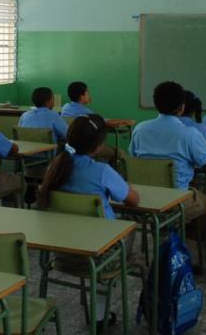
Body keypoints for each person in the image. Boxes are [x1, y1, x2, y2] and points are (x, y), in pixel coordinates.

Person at [38, 113, 138, 331]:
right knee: (129, 229)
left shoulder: (54, 168)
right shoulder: (102, 171)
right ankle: (99, 314)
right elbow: (133, 200)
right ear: (98, 146)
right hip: (97, 258)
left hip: (62, 254)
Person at [129, 81, 206, 225]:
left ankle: (167, 232)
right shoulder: (189, 134)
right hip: (176, 200)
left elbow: (134, 157)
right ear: (182, 107)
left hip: (144, 197)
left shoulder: (139, 129)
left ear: (155, 103)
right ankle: (192, 245)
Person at [60, 81, 132, 165]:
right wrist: (125, 121)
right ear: (82, 96)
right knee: (120, 153)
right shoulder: (86, 113)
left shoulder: (66, 107)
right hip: (87, 147)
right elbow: (104, 122)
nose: (89, 96)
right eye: (87, 93)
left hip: (71, 146)